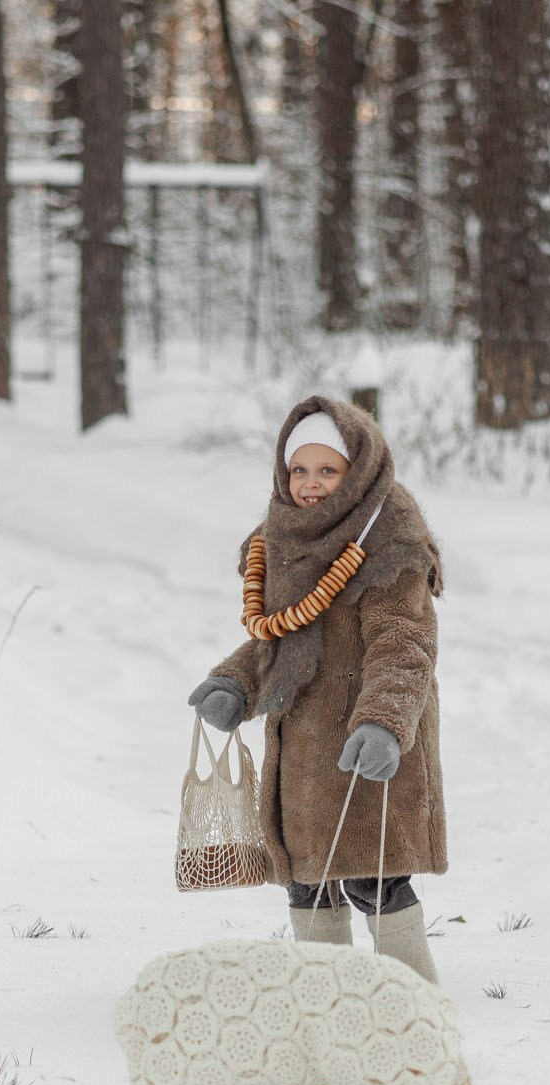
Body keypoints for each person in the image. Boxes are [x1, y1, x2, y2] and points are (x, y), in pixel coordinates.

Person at [187, 396, 447, 984]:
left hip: (369, 737)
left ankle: (412, 988)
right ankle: (325, 987)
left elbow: (403, 643)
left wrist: (384, 721)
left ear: (357, 468)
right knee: (307, 874)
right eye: (298, 470)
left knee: (371, 870)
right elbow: (281, 633)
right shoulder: (279, 536)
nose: (309, 485)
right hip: (302, 741)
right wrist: (236, 681)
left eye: (327, 470)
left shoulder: (391, 539)